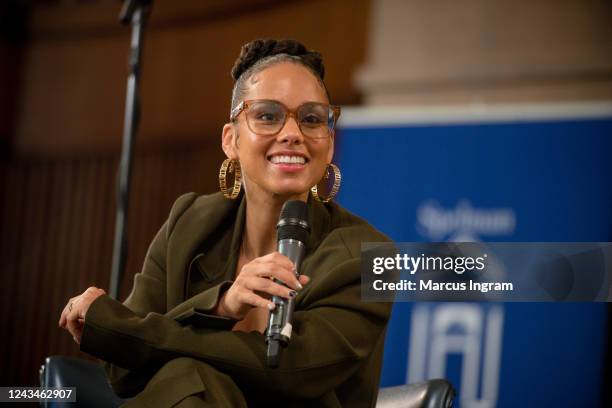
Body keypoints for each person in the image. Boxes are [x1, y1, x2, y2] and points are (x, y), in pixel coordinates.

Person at [59, 38, 392, 407]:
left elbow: (291, 371)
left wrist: (119, 329)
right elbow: (122, 372)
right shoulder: (187, 224)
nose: (293, 134)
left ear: (329, 143)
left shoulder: (370, 255)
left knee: (190, 376)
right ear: (230, 140)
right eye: (267, 115)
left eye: (312, 118)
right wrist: (220, 308)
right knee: (190, 378)